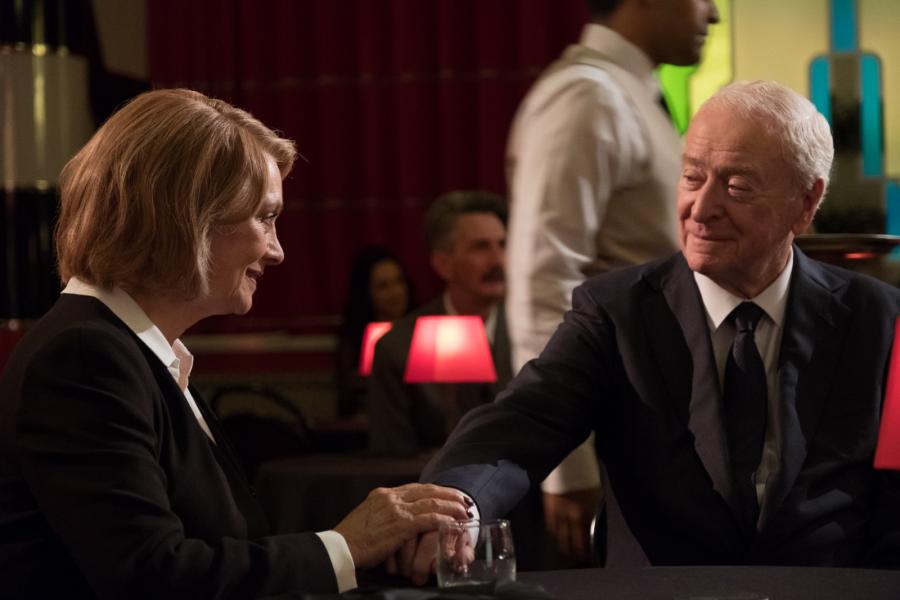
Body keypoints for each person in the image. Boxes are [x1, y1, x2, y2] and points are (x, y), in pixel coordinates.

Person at [411, 80, 900, 578]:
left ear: (806, 202)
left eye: (737, 186)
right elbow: (522, 424)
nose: (701, 209)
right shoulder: (616, 312)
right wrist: (454, 504)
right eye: (692, 177)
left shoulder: (878, 319)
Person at [0, 89, 470, 599]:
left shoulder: (133, 351)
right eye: (265, 217)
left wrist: (376, 549)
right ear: (186, 216)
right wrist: (348, 547)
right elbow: (154, 579)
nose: (277, 251)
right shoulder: (84, 357)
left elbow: (224, 552)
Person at [504, 0, 720, 561]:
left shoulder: (628, 93)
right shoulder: (587, 97)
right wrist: (564, 465)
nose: (714, 14)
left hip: (657, 416)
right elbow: (543, 279)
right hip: (606, 423)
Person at [366, 190, 512, 456]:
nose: (498, 260)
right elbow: (390, 455)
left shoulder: (536, 334)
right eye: (480, 247)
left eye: (502, 245)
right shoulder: (397, 347)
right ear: (443, 264)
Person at [335, 245, 415, 419]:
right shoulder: (355, 340)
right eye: (383, 286)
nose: (395, 292)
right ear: (367, 293)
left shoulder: (422, 332)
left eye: (399, 281)